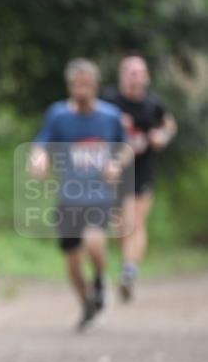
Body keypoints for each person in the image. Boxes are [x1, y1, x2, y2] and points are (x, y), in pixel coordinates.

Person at [28, 59, 132, 331]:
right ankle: (86, 302)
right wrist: (38, 159)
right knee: (72, 261)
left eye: (85, 84)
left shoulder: (110, 116)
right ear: (69, 86)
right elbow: (41, 143)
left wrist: (116, 163)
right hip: (69, 196)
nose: (80, 89)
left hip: (99, 194)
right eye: (76, 84)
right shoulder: (58, 115)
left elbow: (125, 148)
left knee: (95, 243)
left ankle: (99, 278)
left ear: (95, 85)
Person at [103, 56, 176, 301]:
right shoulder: (110, 101)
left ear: (146, 77)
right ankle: (128, 263)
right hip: (113, 170)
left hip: (141, 168)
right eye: (130, 71)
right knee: (121, 227)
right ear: (122, 75)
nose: (135, 76)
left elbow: (169, 124)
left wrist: (162, 136)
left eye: (139, 72)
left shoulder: (152, 104)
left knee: (138, 220)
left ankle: (129, 271)